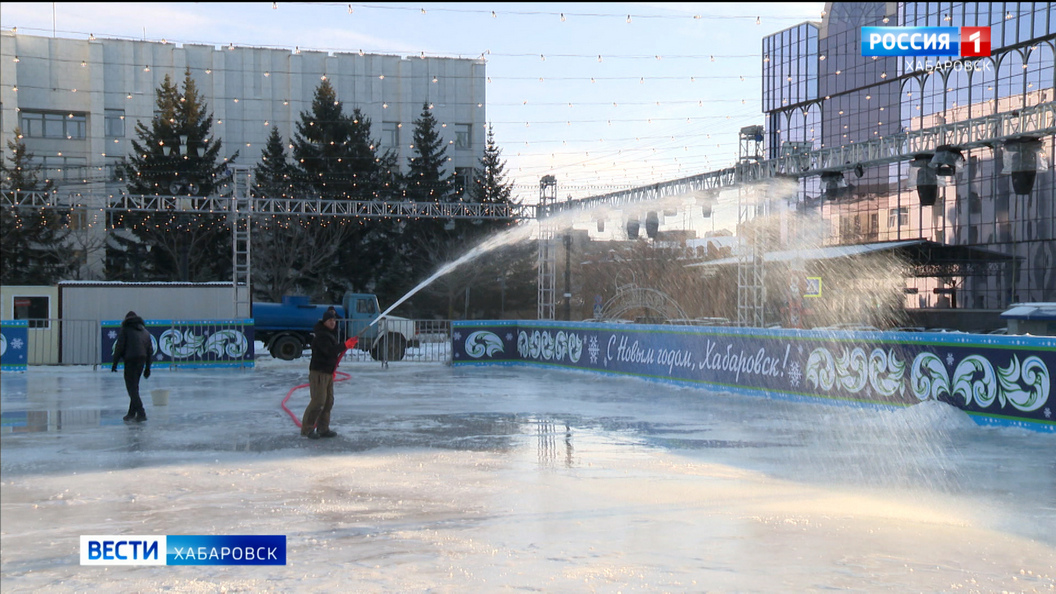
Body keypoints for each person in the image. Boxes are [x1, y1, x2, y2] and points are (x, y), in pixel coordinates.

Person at [301, 308, 357, 439]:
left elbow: (332, 355)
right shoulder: (321, 335)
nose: (333, 323)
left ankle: (323, 428)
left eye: (334, 320)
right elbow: (329, 351)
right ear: (324, 322)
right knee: (318, 401)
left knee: (328, 402)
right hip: (319, 373)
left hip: (328, 373)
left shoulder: (330, 334)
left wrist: (332, 370)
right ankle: (307, 428)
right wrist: (345, 345)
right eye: (330, 320)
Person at [111, 310, 154, 422]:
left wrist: (114, 363)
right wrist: (148, 368)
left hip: (130, 360)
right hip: (141, 360)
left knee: (131, 388)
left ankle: (141, 412)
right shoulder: (145, 332)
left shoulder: (126, 330)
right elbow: (150, 351)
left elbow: (119, 347)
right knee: (134, 387)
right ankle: (131, 413)